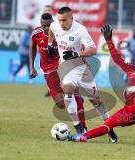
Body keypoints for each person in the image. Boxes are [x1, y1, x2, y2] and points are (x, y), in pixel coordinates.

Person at [47, 7, 117, 142]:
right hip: (65, 67)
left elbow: (92, 49)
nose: (61, 23)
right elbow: (51, 29)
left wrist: (76, 54)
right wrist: (50, 44)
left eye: (64, 20)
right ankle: (78, 127)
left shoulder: (80, 30)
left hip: (81, 69)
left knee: (95, 100)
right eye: (60, 20)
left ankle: (109, 127)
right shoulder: (55, 25)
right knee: (67, 90)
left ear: (71, 19)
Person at [30, 13, 87, 132]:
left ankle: (82, 128)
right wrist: (32, 67)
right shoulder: (36, 33)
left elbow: (76, 45)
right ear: (41, 24)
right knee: (61, 104)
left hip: (63, 67)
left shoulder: (61, 32)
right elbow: (32, 48)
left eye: (48, 25)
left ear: (53, 23)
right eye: (43, 25)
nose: (46, 28)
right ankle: (77, 101)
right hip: (48, 71)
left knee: (74, 96)